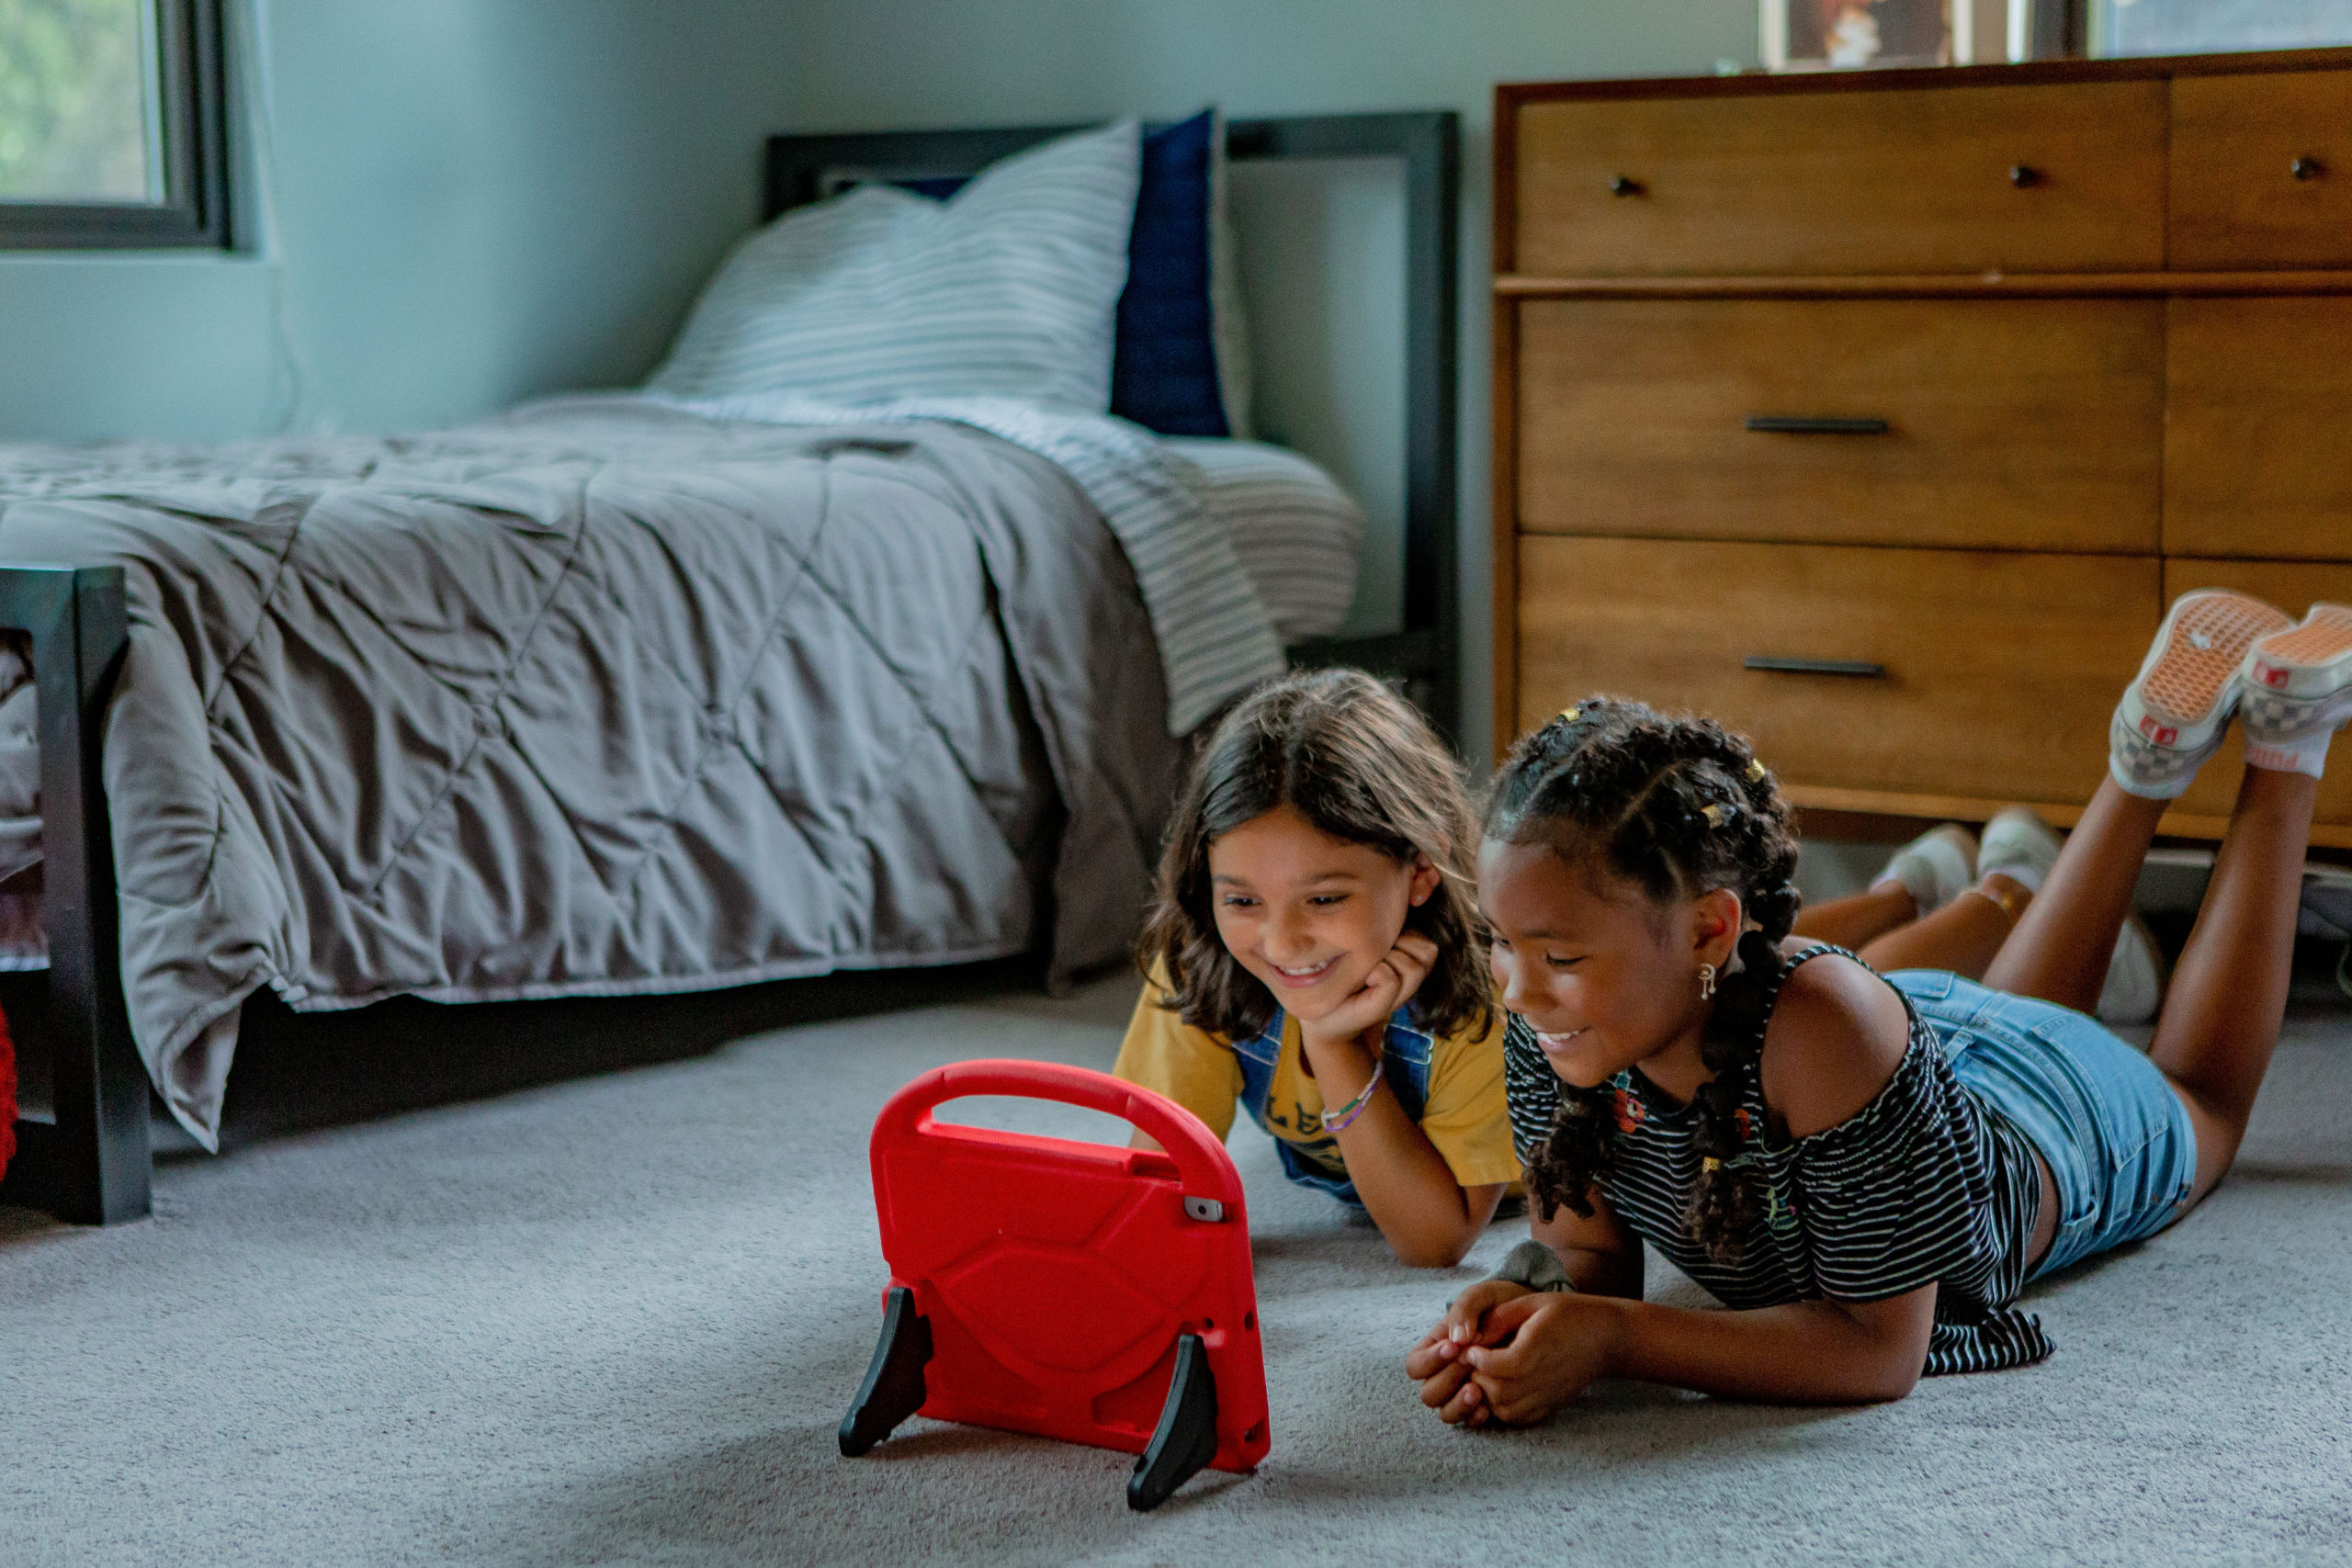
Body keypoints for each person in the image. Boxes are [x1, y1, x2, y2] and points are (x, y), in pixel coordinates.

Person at [1408, 589, 2351, 1416]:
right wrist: (1532, 1310)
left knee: (2204, 1104)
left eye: (1560, 953)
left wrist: (1616, 1340)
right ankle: (2144, 759)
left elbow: (1876, 1349)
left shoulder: (1822, 1029)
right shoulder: (1550, 1019)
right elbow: (1590, 1261)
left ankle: (2286, 737)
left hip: (2034, 1123)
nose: (1517, 986)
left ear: (1706, 931)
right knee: (2008, 1007)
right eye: (1500, 940)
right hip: (1902, 1055)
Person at [1113, 669, 1518, 1267]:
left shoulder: (1486, 990)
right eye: (1242, 900)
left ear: (1422, 868)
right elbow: (1155, 1192)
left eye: (1325, 898)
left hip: (1513, 1186)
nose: (1282, 943)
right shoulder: (1201, 959)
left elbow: (1434, 1239)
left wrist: (1333, 1045)